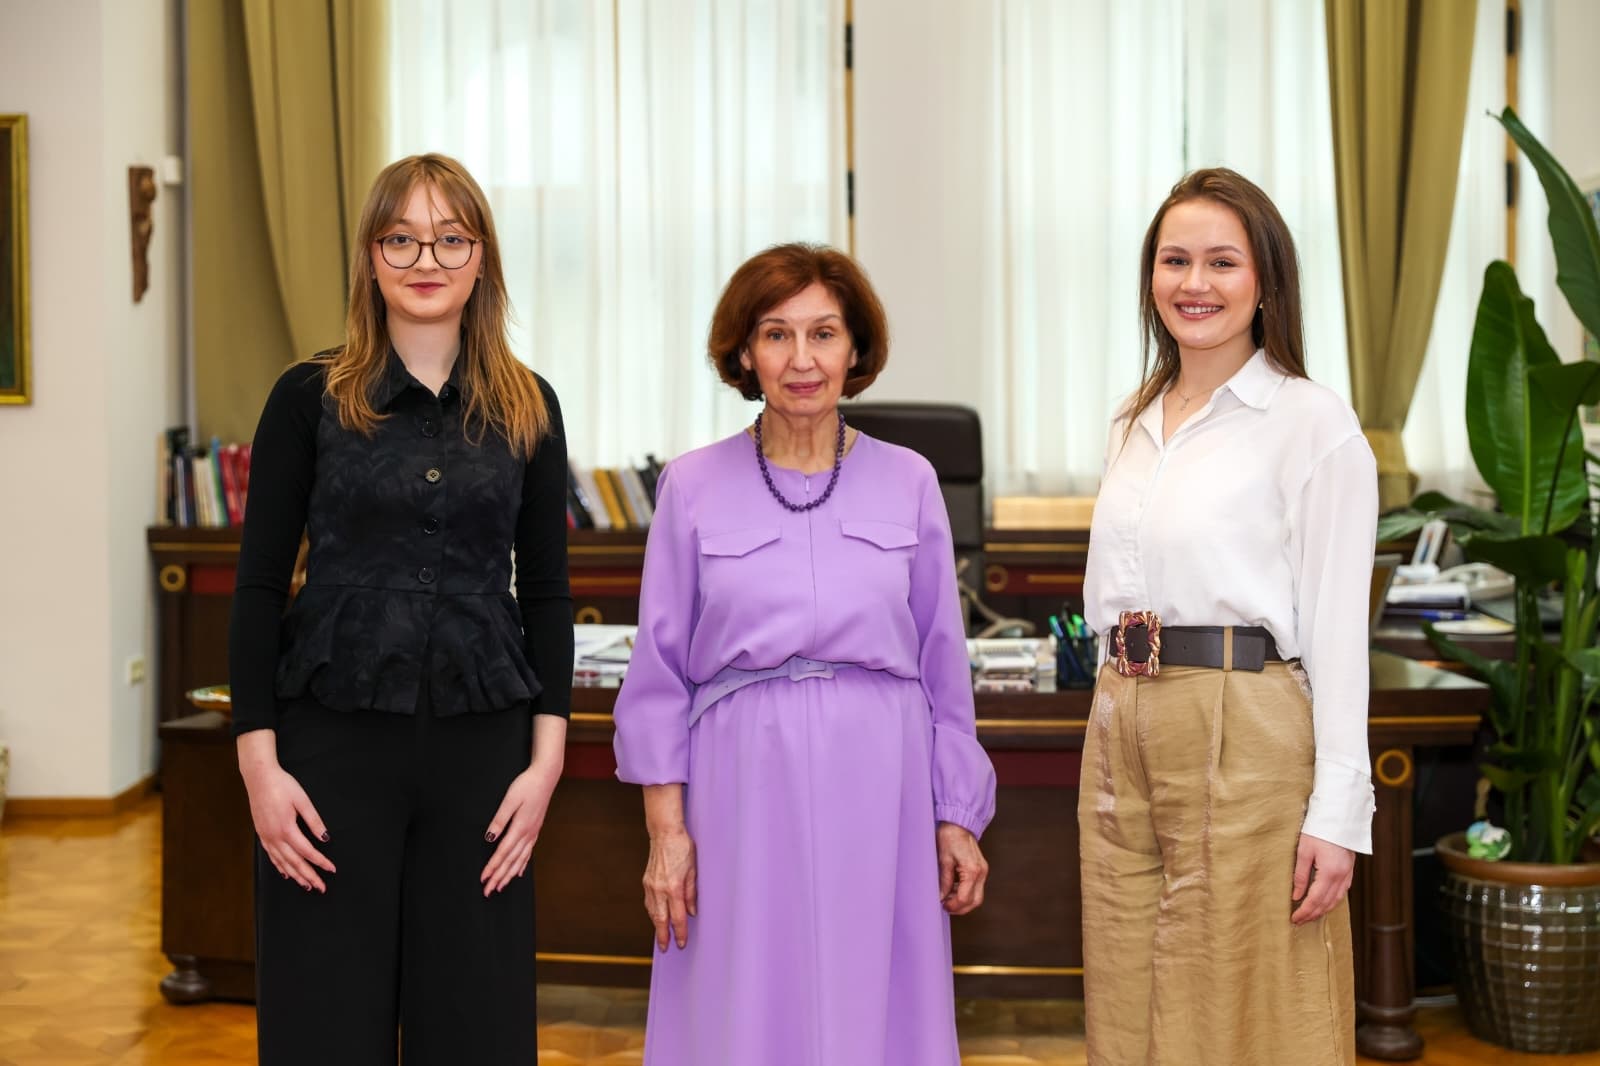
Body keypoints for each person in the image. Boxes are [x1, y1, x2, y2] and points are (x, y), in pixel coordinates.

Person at [612, 242, 997, 1065]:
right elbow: (658, 676)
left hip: (884, 784)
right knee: (745, 1002)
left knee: (874, 1003)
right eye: (775, 334)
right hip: (739, 785)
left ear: (855, 350)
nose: (801, 359)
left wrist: (957, 816)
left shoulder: (911, 480)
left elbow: (943, 666)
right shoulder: (691, 485)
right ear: (744, 353)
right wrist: (666, 832)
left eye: (823, 333)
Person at [228, 153, 573, 1065]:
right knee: (324, 1019)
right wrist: (259, 766)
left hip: (483, 751)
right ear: (370, 256)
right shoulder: (306, 397)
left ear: (481, 257)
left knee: (475, 1020)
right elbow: (259, 584)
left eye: (450, 238)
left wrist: (545, 766)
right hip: (329, 744)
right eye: (402, 238)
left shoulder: (530, 405)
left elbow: (546, 591)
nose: (427, 259)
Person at [1079, 168, 1377, 1066]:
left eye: (1222, 262)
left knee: (1246, 997)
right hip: (1121, 711)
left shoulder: (1312, 423)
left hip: (1242, 717)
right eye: (1174, 260)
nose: (1194, 283)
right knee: (1124, 986)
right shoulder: (1132, 420)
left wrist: (1338, 813)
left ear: (1265, 281)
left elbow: (1338, 638)